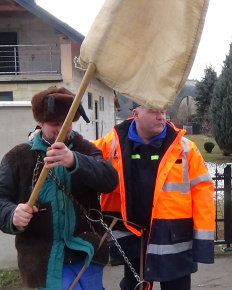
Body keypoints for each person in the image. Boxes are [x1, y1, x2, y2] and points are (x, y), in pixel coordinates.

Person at [0, 86, 119, 290]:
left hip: (87, 254)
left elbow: (109, 180)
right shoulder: (17, 157)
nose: (61, 129)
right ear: (39, 122)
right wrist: (12, 215)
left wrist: (75, 161)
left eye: (67, 123)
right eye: (54, 124)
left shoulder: (85, 149)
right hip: (42, 262)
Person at [92, 102, 215, 290]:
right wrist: (42, 137)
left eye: (163, 112)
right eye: (154, 111)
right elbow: (81, 152)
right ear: (136, 114)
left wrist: (203, 243)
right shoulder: (113, 144)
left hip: (175, 242)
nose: (161, 117)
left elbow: (203, 193)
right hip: (133, 240)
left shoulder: (185, 148)